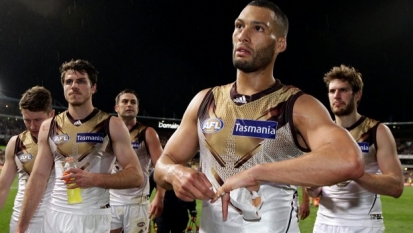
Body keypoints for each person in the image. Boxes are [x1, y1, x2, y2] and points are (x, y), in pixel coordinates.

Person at [154, 1, 364, 232]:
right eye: (239, 26)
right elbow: (164, 164)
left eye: (258, 28)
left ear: (280, 43)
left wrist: (258, 173)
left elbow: (349, 159)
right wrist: (176, 173)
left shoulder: (296, 105)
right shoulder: (205, 101)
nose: (243, 35)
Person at [16, 59, 144, 233]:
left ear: (93, 88)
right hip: (55, 215)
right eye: (69, 81)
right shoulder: (49, 126)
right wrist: (20, 228)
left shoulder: (111, 124)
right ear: (63, 87)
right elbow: (38, 178)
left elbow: (136, 176)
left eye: (81, 81)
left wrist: (93, 179)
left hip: (93, 216)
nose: (74, 86)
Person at [307, 64, 404, 233]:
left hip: (364, 223)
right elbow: (315, 192)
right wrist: (312, 186)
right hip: (324, 223)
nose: (336, 96)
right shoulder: (319, 132)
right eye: (332, 91)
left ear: (357, 94)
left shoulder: (377, 131)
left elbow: (396, 186)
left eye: (343, 90)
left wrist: (355, 173)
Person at [0, 86, 55, 233]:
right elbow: (3, 187)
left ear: (51, 114)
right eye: (27, 120)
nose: (32, 126)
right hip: (20, 219)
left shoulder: (65, 143)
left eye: (38, 120)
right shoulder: (15, 143)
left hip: (56, 221)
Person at [110, 89, 165, 233]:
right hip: (111, 200)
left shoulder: (147, 133)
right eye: (125, 101)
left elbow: (162, 168)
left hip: (137, 202)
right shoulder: (107, 132)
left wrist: (159, 197)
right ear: (116, 108)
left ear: (137, 108)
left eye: (133, 102)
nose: (129, 105)